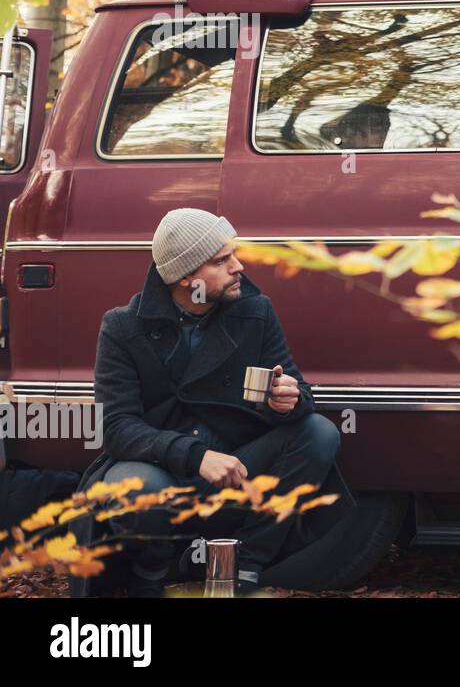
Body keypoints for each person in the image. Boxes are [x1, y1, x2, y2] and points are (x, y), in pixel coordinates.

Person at [77, 208, 355, 596]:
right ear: (186, 276)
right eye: (221, 261)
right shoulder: (123, 327)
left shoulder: (255, 312)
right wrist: (195, 456)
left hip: (238, 460)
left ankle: (247, 561)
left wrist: (287, 400)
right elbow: (116, 427)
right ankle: (152, 569)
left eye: (234, 254)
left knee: (318, 432)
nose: (239, 267)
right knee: (134, 489)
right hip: (160, 466)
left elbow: (300, 392)